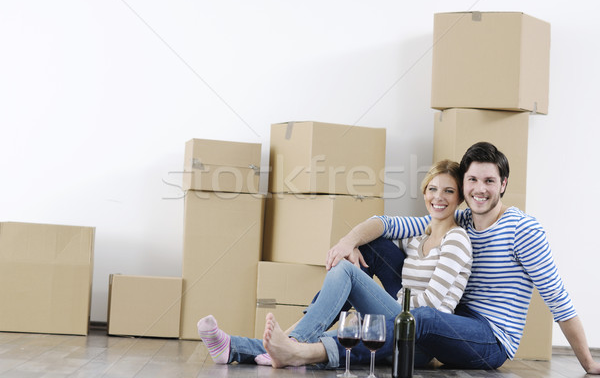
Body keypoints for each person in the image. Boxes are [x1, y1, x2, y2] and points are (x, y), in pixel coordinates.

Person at [313, 141, 599, 374]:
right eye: (472, 180)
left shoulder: (522, 230)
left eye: (489, 181)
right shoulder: (460, 219)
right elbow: (388, 224)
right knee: (375, 247)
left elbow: (557, 298)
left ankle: (318, 351)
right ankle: (301, 334)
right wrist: (347, 242)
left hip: (489, 339)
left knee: (421, 317)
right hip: (451, 320)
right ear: (464, 185)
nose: (480, 189)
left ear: (503, 184)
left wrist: (588, 363)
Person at [196, 159, 472, 368]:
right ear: (424, 193)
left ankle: (293, 340)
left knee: (345, 272)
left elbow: (431, 309)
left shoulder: (456, 239)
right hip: (395, 320)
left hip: (419, 340)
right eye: (433, 189)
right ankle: (231, 347)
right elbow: (382, 226)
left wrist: (378, 312)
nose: (439, 197)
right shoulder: (416, 237)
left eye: (448, 191)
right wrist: (349, 245)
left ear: (459, 198)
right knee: (354, 262)